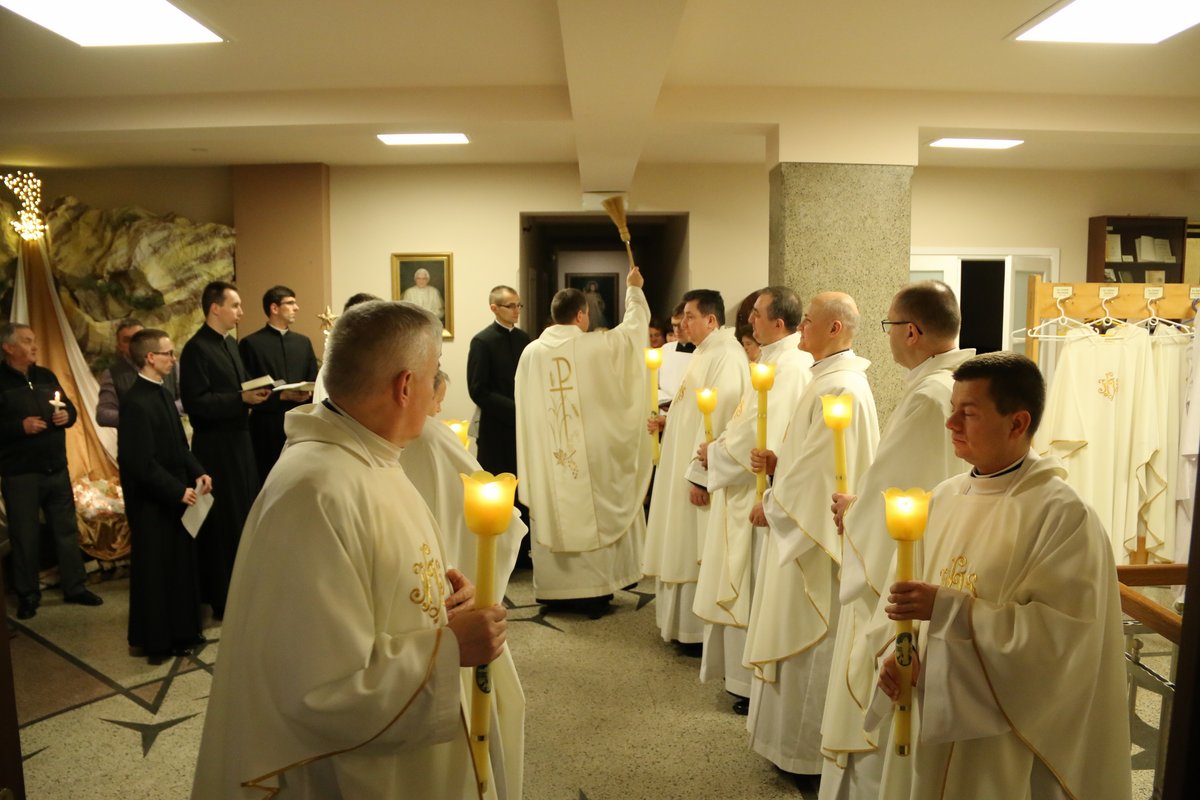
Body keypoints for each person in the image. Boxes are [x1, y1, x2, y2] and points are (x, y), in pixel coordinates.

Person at [191, 301, 519, 799]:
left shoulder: (370, 458)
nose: (437, 393)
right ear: (405, 386)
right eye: (434, 377)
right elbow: (317, 691)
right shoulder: (316, 492)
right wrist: (450, 648)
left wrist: (440, 602)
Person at [870, 352, 1131, 800]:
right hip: (931, 704)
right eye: (952, 409)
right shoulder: (943, 498)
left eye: (968, 413)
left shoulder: (1063, 516)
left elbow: (1063, 642)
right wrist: (900, 652)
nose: (951, 423)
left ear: (1017, 423)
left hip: (1001, 738)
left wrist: (948, 609)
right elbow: (902, 599)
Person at [817, 281, 972, 800]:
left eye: (888, 325)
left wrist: (853, 511)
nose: (885, 336)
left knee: (881, 682)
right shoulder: (951, 386)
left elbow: (902, 492)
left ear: (911, 331)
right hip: (939, 557)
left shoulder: (930, 397)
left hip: (909, 566)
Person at [743, 292, 879, 780]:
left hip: (818, 539)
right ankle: (789, 747)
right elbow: (811, 459)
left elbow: (822, 473)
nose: (800, 327)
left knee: (810, 633)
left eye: (808, 321)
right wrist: (780, 465)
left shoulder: (841, 387)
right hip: (807, 521)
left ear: (835, 328)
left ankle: (803, 754)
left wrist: (772, 504)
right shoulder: (827, 379)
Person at [693, 287, 811, 712]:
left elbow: (764, 432)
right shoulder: (772, 360)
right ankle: (743, 681)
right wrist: (721, 446)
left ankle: (749, 684)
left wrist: (718, 453)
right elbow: (746, 421)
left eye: (757, 314)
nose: (750, 320)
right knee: (744, 581)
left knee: (751, 583)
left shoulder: (790, 367)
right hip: (744, 485)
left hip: (757, 491)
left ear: (778, 322)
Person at [515, 264, 653, 610]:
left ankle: (555, 591)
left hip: (549, 455)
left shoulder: (531, 352)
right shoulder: (595, 346)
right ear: (580, 314)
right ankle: (593, 589)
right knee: (592, 509)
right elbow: (633, 333)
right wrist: (634, 290)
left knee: (554, 506)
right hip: (588, 458)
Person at [642, 289, 748, 645]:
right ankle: (678, 627)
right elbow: (694, 411)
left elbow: (720, 420)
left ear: (711, 320)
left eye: (689, 316)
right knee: (680, 542)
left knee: (692, 545)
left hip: (700, 475)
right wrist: (669, 420)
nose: (681, 323)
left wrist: (702, 478)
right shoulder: (705, 351)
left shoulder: (726, 356)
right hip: (684, 468)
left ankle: (695, 633)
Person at [178, 281, 271, 620]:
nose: (241, 312)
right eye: (235, 305)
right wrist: (240, 399)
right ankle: (221, 595)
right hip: (215, 446)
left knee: (243, 513)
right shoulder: (196, 349)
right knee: (222, 522)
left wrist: (261, 393)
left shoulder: (231, 344)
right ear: (215, 308)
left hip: (240, 442)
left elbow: (241, 386)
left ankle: (244, 589)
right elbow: (196, 403)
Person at [0, 323, 104, 620]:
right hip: (21, 473)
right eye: (27, 341)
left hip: (56, 468)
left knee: (66, 530)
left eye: (34, 340)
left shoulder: (45, 376)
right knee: (25, 536)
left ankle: (75, 586)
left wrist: (66, 416)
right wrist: (19, 427)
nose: (34, 346)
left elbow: (69, 409)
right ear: (8, 347)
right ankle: (28, 594)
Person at [119, 329, 212, 663]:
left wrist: (198, 471)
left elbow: (179, 444)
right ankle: (158, 641)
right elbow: (140, 462)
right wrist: (176, 491)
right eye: (168, 353)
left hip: (176, 494)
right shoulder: (135, 402)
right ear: (150, 357)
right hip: (153, 502)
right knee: (157, 572)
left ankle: (183, 631)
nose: (173, 359)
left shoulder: (161, 392)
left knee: (179, 566)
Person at [401, 370, 527, 604]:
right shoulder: (432, 435)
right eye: (437, 401)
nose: (439, 409)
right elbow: (476, 486)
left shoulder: (392, 431)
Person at [467, 284, 531, 546]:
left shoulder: (525, 340)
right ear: (494, 308)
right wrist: (516, 409)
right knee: (498, 490)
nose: (516, 310)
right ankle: (499, 548)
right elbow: (478, 390)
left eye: (518, 305)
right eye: (510, 305)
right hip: (495, 430)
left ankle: (523, 548)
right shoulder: (482, 342)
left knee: (522, 486)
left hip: (522, 429)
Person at [238, 285, 320, 482]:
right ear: (274, 308)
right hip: (267, 427)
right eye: (290, 303)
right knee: (268, 479)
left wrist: (307, 392)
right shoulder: (251, 344)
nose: (296, 308)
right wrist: (281, 396)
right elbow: (247, 387)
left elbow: (313, 378)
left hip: (300, 423)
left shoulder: (303, 342)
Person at [97, 318, 181, 427]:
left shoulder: (171, 366)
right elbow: (103, 414)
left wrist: (162, 411)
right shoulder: (113, 374)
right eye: (127, 340)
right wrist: (138, 417)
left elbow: (188, 400)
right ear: (119, 346)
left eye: (138, 339)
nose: (134, 344)